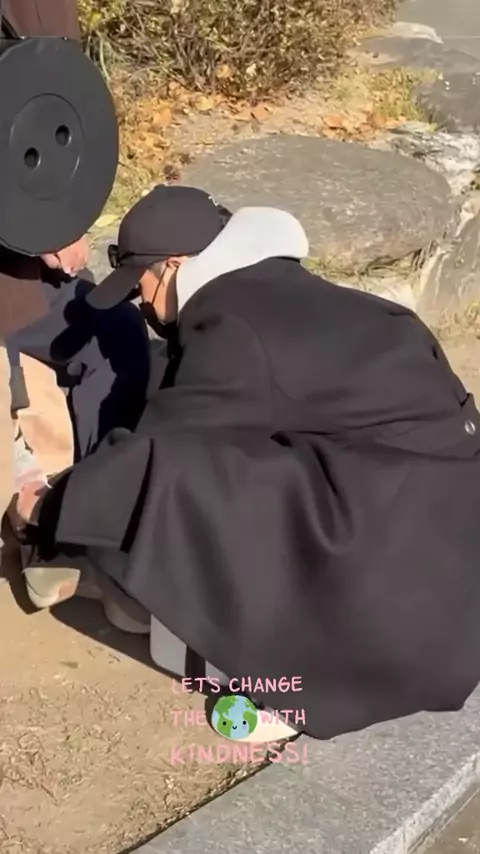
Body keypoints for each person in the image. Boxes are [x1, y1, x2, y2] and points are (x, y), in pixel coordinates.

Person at [18, 184, 480, 746]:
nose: (142, 304)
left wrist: (51, 509)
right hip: (454, 572)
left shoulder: (230, 328)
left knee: (186, 478)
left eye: (140, 286)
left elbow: (157, 457)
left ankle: (286, 687)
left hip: (385, 606)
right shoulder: (307, 296)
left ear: (173, 267)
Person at [0, 0, 89, 564]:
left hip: (29, 258)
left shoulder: (48, 13)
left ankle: (85, 505)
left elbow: (68, 109)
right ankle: (31, 513)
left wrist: (59, 220)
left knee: (115, 338)